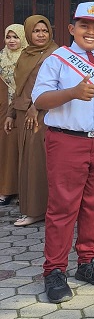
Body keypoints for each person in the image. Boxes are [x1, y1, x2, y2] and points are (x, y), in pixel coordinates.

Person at [31, 2, 94, 303]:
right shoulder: (57, 59)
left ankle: (87, 262)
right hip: (67, 142)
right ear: (72, 28)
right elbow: (41, 99)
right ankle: (55, 271)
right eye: (85, 25)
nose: (91, 31)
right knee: (63, 209)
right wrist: (72, 93)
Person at [7, 16, 58, 227]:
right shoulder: (25, 55)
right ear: (28, 33)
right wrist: (11, 113)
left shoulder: (55, 54)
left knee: (37, 163)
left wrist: (35, 108)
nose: (41, 35)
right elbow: (18, 88)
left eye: (44, 31)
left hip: (41, 116)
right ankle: (31, 207)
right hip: (22, 114)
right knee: (26, 163)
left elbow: (55, 85)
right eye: (36, 31)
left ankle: (38, 210)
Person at [0, 24, 26, 206]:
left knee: (24, 151)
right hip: (3, 110)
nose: (11, 41)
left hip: (24, 109)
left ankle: (23, 192)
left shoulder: (28, 57)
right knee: (6, 150)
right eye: (8, 37)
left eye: (15, 37)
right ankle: (6, 190)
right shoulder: (1, 58)